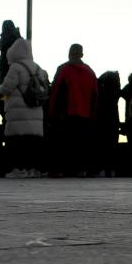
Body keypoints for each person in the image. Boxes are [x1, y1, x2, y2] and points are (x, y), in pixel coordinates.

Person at [0, 38, 48, 177]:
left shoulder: (16, 67)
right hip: (36, 112)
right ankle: (33, 169)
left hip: (18, 113)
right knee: (33, 144)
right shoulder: (38, 68)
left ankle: (19, 170)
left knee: (18, 144)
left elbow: (7, 88)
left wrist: (1, 94)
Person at [47, 44, 99, 176]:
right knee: (81, 143)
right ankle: (80, 169)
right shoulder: (90, 72)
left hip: (66, 113)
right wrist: (92, 115)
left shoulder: (64, 69)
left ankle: (63, 169)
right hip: (85, 114)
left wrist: (52, 111)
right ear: (82, 55)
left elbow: (56, 91)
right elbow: (95, 95)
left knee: (65, 143)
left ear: (69, 53)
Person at [95, 70, 122, 175]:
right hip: (113, 120)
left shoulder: (101, 92)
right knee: (112, 143)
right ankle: (110, 168)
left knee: (102, 143)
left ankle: (102, 167)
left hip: (101, 119)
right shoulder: (115, 94)